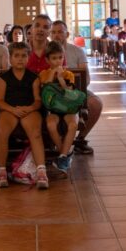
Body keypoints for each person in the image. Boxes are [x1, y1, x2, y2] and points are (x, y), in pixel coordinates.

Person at [0, 42, 47, 189]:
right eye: (16, 56)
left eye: (24, 56)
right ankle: (1, 171)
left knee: (35, 133)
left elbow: (38, 101)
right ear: (10, 58)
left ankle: (41, 172)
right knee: (1, 132)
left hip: (29, 110)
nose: (20, 59)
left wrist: (29, 108)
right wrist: (13, 110)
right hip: (9, 110)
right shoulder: (4, 78)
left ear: (28, 58)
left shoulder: (34, 78)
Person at [49, 20, 100, 155]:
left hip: (76, 90)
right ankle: (53, 141)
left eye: (60, 32)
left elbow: (85, 77)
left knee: (96, 104)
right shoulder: (46, 51)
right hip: (52, 92)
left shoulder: (77, 51)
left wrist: (74, 92)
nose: (56, 35)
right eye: (53, 32)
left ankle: (80, 140)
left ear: (67, 34)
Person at [39, 41, 78, 173]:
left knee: (73, 125)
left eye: (60, 58)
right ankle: (64, 154)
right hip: (53, 109)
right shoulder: (44, 74)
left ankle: (62, 156)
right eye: (54, 58)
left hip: (68, 107)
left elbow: (69, 93)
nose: (57, 61)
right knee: (51, 124)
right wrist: (52, 74)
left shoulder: (68, 74)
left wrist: (61, 78)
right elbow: (46, 90)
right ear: (47, 60)